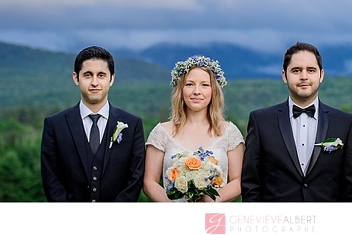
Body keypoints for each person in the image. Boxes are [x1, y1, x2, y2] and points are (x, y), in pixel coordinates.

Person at [241, 41, 352, 202]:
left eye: (311, 70)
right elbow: (251, 183)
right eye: (296, 70)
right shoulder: (261, 121)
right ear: (284, 76)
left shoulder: (345, 123)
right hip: (278, 223)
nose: (304, 76)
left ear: (321, 75)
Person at [40, 46, 145, 202]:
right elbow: (51, 178)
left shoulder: (132, 125)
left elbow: (135, 178)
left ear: (112, 79)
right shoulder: (55, 125)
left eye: (101, 75)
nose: (94, 82)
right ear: (76, 78)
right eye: (88, 75)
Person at [143, 55, 244, 202]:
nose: (197, 91)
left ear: (213, 91)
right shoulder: (161, 133)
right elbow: (149, 182)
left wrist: (211, 202)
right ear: (181, 89)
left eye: (204, 85)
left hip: (213, 219)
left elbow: (238, 180)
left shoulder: (229, 133)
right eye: (190, 84)